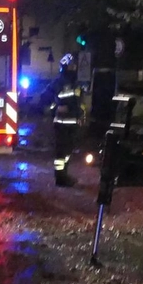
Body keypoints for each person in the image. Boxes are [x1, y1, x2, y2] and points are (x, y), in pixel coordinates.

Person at [51, 53, 82, 187]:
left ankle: (65, 175)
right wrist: (56, 107)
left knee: (68, 152)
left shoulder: (75, 82)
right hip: (62, 123)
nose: (73, 68)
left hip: (72, 122)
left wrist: (80, 115)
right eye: (70, 66)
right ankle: (60, 178)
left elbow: (78, 101)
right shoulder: (59, 82)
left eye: (74, 66)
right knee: (61, 152)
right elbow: (48, 97)